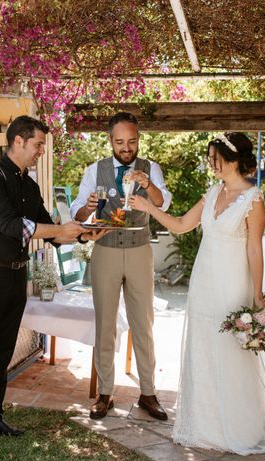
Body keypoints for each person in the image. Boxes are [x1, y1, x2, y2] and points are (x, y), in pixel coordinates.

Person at [129, 132, 265, 454]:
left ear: (234, 159)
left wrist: (258, 296)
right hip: (203, 283)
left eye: (215, 158)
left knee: (230, 354)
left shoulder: (254, 199)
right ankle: (203, 425)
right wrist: (147, 208)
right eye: (211, 158)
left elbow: (254, 250)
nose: (212, 164)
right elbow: (180, 224)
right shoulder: (212, 192)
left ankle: (235, 428)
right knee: (203, 350)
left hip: (232, 286)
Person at [0, 115, 97, 453]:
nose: (41, 152)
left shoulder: (29, 185)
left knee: (2, 349)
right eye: (38, 145)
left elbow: (50, 229)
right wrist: (59, 231)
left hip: (16, 275)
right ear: (18, 141)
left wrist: (84, 231)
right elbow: (10, 225)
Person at [70, 112, 172, 420]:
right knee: (105, 323)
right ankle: (105, 393)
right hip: (106, 250)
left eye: (132, 141)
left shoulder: (150, 167)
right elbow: (77, 212)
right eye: (120, 142)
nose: (126, 148)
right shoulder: (94, 170)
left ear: (138, 139)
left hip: (140, 249)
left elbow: (164, 202)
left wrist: (147, 184)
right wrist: (86, 207)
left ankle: (148, 393)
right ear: (110, 140)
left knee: (144, 323)